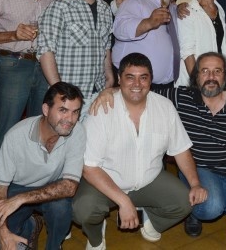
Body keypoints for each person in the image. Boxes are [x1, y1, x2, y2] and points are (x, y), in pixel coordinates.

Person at [90, 52, 226, 240]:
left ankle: (221, 200)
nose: (211, 77)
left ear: (225, 76)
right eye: (205, 71)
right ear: (196, 76)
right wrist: (109, 91)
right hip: (200, 169)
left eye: (217, 71)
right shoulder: (181, 97)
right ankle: (195, 211)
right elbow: (138, 89)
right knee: (211, 207)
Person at [72, 53, 208, 249]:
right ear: (119, 79)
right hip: (107, 181)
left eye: (143, 77)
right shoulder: (102, 109)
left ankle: (150, 220)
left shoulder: (165, 107)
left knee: (184, 202)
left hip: (148, 180)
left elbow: (181, 150)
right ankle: (96, 237)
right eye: (130, 77)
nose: (137, 84)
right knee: (83, 210)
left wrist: (195, 184)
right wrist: (123, 201)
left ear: (150, 80)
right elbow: (89, 167)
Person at [0, 0, 61, 192]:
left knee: (42, 129)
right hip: (13, 65)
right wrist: (13, 35)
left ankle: (31, 192)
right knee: (5, 132)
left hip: (45, 65)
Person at [0, 82, 86, 250]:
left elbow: (69, 187)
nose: (70, 119)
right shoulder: (16, 136)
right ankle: (30, 225)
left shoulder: (77, 131)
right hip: (18, 187)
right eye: (63, 110)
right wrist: (2, 232)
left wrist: (21, 199)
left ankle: (54, 246)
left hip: (52, 187)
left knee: (60, 208)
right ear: (46, 109)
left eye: (75, 112)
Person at [38, 0, 114, 118]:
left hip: (98, 93)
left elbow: (106, 47)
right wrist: (59, 90)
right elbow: (45, 51)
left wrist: (109, 77)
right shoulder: (60, 7)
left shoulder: (105, 9)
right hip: (67, 97)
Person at [111, 0, 182, 88]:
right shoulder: (136, 1)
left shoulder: (174, 9)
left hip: (168, 87)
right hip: (135, 86)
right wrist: (148, 23)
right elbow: (119, 29)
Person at [176, 0, 226, 87]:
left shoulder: (220, 10)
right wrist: (197, 82)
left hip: (217, 78)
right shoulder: (188, 12)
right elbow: (187, 52)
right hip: (196, 81)